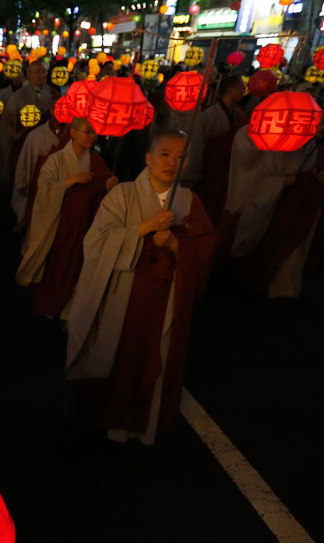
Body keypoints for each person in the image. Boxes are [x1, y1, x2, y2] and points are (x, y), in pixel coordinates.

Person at [66, 130, 214, 444]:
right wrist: (144, 228)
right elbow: (95, 242)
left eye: (180, 157)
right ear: (147, 158)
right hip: (125, 292)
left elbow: (204, 249)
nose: (172, 162)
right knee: (122, 355)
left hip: (166, 299)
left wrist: (176, 245)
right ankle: (114, 422)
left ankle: (146, 425)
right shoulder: (123, 195)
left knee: (155, 359)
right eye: (165, 154)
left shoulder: (188, 200)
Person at [17, 118, 118, 319]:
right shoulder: (56, 160)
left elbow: (103, 187)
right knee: (55, 266)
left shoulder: (95, 160)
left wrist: (110, 185)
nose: (92, 136)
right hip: (59, 224)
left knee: (75, 269)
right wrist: (72, 181)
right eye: (87, 131)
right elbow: (44, 188)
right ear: (72, 133)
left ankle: (66, 310)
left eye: (94, 132)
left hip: (84, 225)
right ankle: (46, 305)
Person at [227, 126, 324, 299]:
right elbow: (259, 175)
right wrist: (280, 182)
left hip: (296, 204)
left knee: (287, 248)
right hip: (278, 202)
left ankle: (280, 291)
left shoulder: (311, 147)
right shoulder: (271, 141)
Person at [181, 77, 246, 224]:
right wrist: (192, 176)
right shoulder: (209, 115)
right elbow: (198, 146)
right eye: (241, 88)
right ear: (230, 89)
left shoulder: (238, 115)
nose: (243, 91)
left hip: (227, 173)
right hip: (209, 173)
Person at [12, 111, 71, 230]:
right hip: (38, 184)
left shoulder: (70, 135)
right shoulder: (36, 135)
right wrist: (22, 182)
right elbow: (26, 160)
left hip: (59, 184)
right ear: (50, 110)